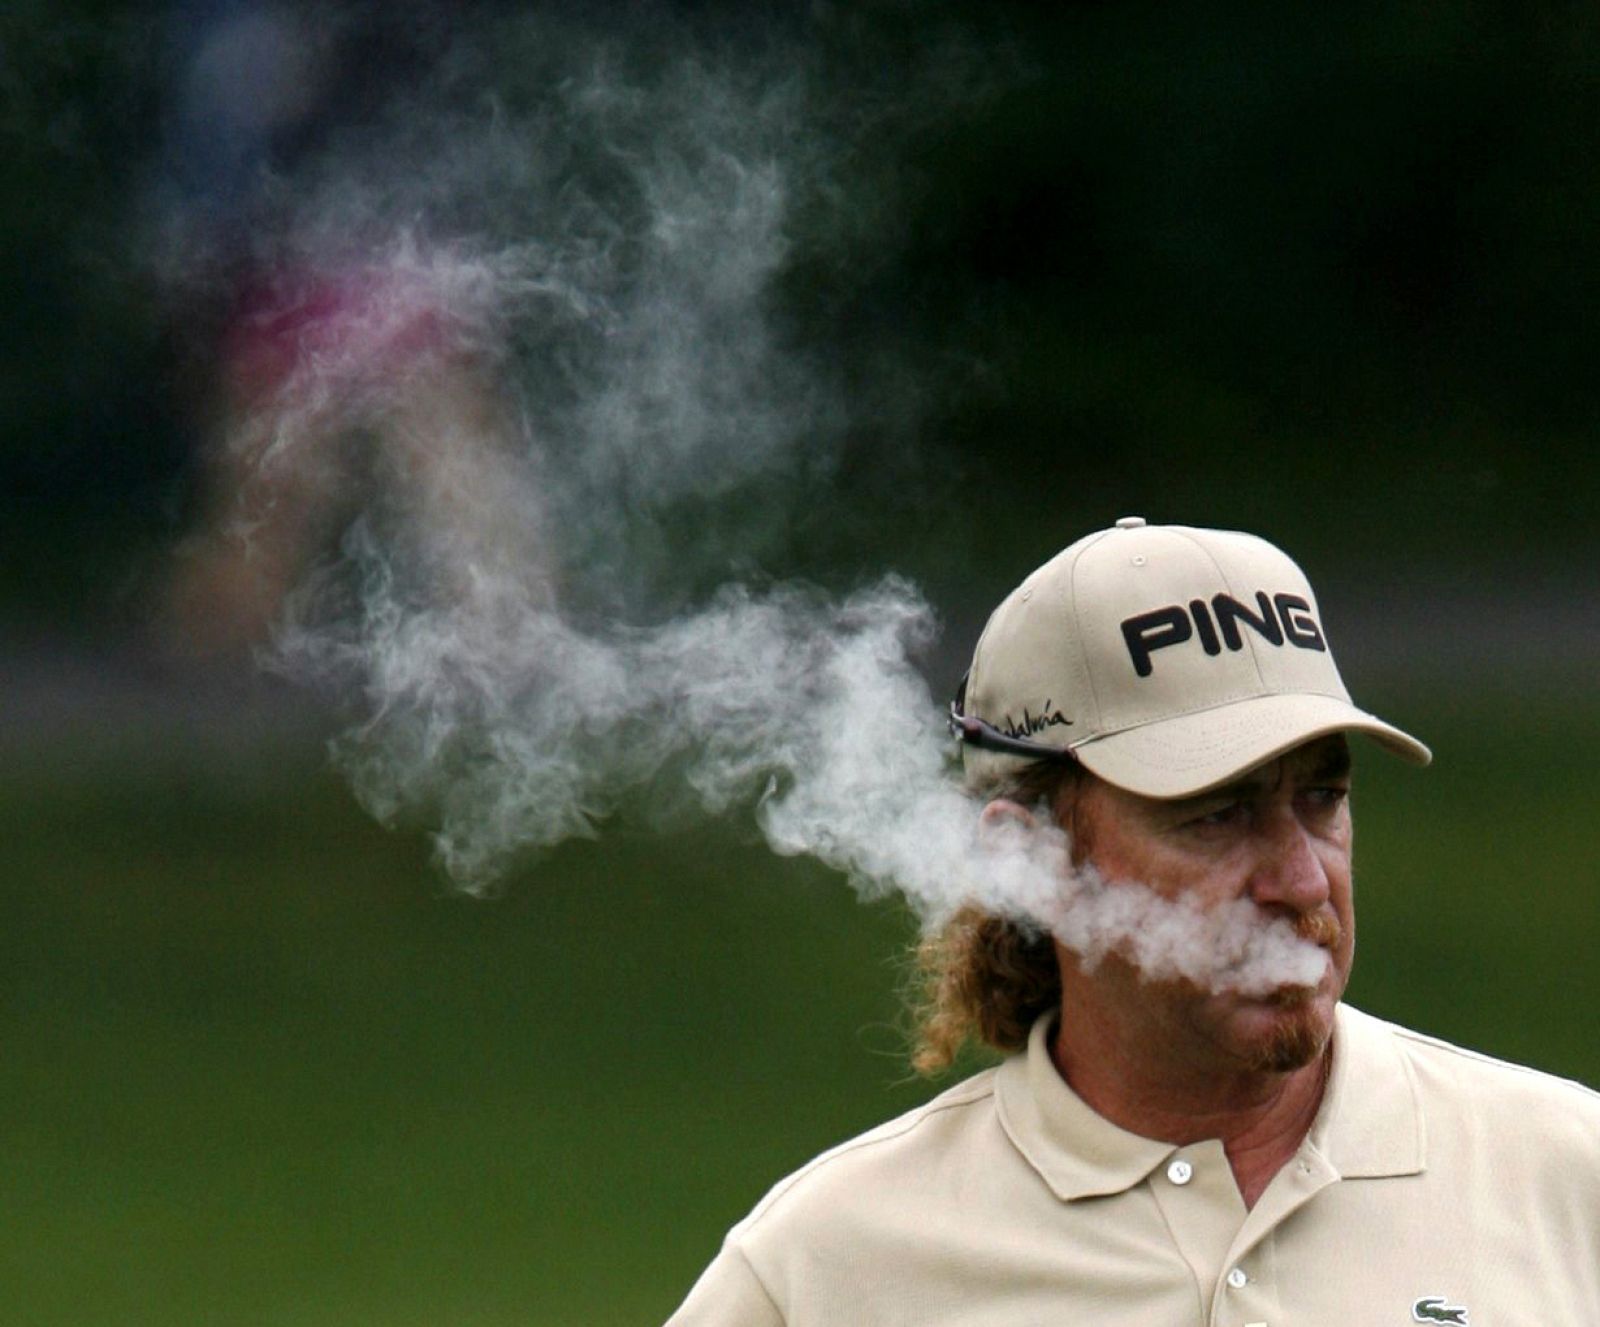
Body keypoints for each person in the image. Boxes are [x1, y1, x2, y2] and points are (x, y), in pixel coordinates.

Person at [666, 518, 1600, 1325]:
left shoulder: (1569, 1175)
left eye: (1321, 797)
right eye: (1216, 813)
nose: (1304, 879)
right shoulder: (829, 1264)